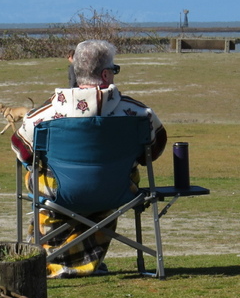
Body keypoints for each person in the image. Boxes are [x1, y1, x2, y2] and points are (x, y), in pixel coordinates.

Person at [11, 39, 167, 278]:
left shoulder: (42, 116)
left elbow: (22, 151)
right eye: (114, 70)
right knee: (117, 178)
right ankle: (84, 257)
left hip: (59, 194)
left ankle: (48, 256)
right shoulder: (139, 114)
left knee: (36, 175)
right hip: (117, 191)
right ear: (105, 74)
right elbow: (153, 151)